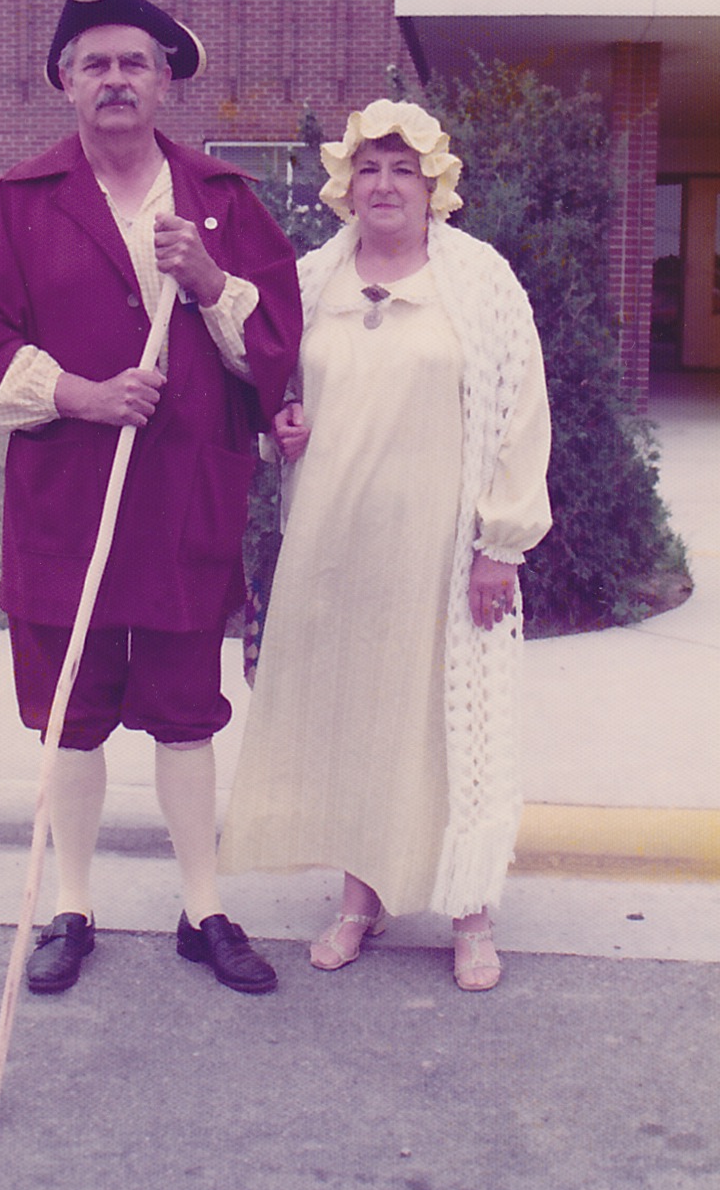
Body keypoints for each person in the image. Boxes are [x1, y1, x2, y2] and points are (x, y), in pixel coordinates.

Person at [0, 0, 301, 996]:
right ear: (64, 81)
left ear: (165, 80)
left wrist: (206, 282)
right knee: (73, 706)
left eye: (133, 62)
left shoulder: (220, 201)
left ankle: (203, 906)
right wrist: (82, 395)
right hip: (67, 499)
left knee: (186, 707)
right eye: (93, 63)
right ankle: (74, 904)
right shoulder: (19, 202)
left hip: (188, 492)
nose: (114, 79)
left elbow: (271, 352)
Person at [219, 99, 552, 991]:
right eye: (369, 167)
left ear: (434, 183)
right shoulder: (312, 278)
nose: (386, 183)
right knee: (360, 719)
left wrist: (501, 545)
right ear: (346, 185)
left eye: (404, 168)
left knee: (446, 724)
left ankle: (470, 912)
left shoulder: (480, 285)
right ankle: (359, 898)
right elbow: (278, 391)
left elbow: (522, 416)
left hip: (440, 552)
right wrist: (281, 426)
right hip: (335, 542)